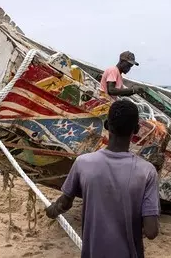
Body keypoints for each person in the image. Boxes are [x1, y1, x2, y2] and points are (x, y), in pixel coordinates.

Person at [45, 100, 160, 258]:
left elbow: (64, 203)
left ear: (107, 125)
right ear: (136, 130)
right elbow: (151, 231)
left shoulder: (83, 163)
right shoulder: (147, 171)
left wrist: (51, 211)